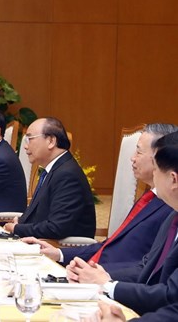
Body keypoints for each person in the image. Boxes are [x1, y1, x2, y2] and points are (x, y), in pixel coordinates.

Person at [23, 123, 177, 271]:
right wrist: (59, 254)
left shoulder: (170, 207)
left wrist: (102, 278)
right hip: (95, 273)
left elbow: (147, 267)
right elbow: (111, 245)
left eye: (139, 151)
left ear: (159, 156)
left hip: (113, 283)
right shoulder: (149, 199)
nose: (132, 158)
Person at [65, 132, 178, 316]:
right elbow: (146, 268)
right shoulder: (172, 218)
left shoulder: (167, 212)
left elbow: (171, 297)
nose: (154, 177)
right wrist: (102, 279)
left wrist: (108, 286)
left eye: (156, 169)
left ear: (173, 179)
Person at [3, 117, 96, 239]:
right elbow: (42, 214)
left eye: (30, 139)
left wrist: (17, 228)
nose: (25, 146)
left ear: (51, 141)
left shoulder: (67, 175)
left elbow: (57, 227)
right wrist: (20, 221)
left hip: (62, 251)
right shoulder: (54, 169)